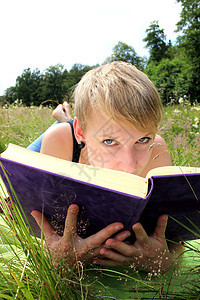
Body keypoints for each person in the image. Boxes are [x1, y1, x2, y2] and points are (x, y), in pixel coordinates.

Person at [31, 61, 184, 273]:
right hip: (68, 139)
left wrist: (165, 261)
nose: (130, 166)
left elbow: (176, 238)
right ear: (81, 133)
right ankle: (62, 118)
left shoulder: (157, 147)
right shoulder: (59, 142)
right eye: (110, 141)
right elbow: (45, 226)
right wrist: (57, 258)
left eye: (142, 139)